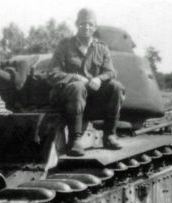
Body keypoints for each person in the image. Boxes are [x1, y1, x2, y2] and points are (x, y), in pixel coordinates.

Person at [48, 8, 125, 156]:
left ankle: (109, 135)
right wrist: (74, 77)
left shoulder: (101, 48)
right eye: (83, 24)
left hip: (92, 98)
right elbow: (52, 73)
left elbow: (111, 72)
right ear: (77, 25)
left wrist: (98, 78)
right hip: (67, 97)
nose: (86, 27)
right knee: (77, 87)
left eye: (90, 24)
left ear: (95, 27)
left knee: (116, 87)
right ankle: (74, 140)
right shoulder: (64, 46)